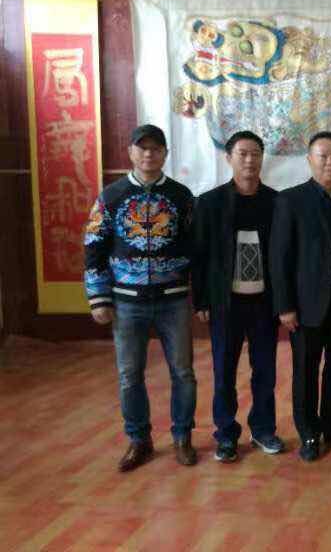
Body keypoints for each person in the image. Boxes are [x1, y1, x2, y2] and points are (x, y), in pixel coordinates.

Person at [84, 124, 197, 471]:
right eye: (142, 148)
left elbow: (198, 247)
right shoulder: (111, 196)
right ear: (131, 152)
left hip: (173, 299)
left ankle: (182, 436)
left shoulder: (181, 196)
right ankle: (139, 440)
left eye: (156, 148)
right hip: (126, 301)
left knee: (183, 372)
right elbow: (93, 246)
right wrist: (98, 297)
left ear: (165, 154)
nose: (149, 154)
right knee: (129, 374)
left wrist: (202, 296)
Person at [269, 131, 331, 462]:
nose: (330, 162)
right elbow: (279, 258)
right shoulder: (290, 200)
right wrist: (285, 306)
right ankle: (309, 433)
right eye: (323, 156)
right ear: (309, 160)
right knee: (306, 371)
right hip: (305, 305)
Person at [192, 131, 285, 463]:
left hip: (264, 303)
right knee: (224, 371)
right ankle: (226, 435)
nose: (249, 160)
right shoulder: (210, 203)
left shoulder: (276, 202)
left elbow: (284, 256)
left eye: (255, 153)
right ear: (228, 158)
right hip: (225, 303)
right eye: (242, 153)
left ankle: (263, 429)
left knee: (265, 371)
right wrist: (202, 300)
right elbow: (199, 255)